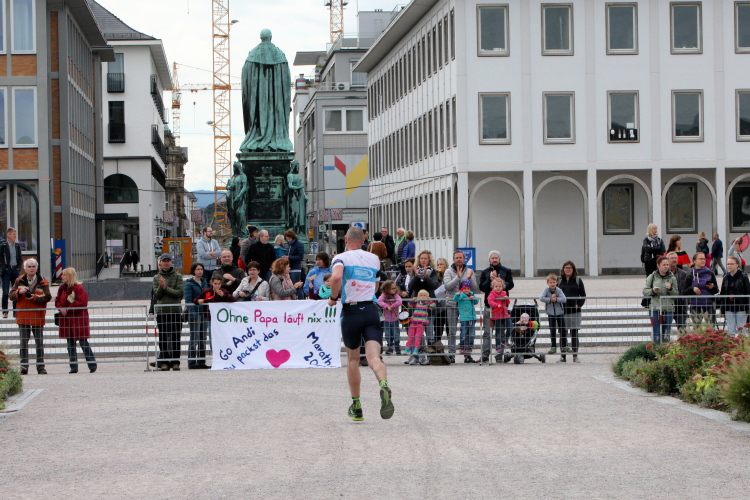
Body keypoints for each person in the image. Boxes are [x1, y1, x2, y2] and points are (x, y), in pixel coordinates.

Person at [327, 226, 394, 421]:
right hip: (371, 310)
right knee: (374, 358)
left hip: (352, 311)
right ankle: (383, 384)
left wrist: (333, 297)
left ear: (346, 239)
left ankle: (356, 406)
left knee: (353, 360)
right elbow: (376, 284)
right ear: (364, 241)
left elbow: (336, 277)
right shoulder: (373, 259)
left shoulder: (341, 258)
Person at [10, 259, 51, 375]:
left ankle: (41, 367)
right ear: (25, 268)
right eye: (29, 266)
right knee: (23, 343)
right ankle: (24, 367)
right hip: (23, 316)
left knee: (39, 343)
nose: (31, 268)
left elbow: (47, 297)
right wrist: (19, 292)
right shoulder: (19, 280)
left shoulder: (43, 282)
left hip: (38, 316)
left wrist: (34, 298)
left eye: (33, 266)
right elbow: (11, 296)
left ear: (36, 268)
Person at [55, 267, 97, 374]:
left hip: (78, 319)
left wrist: (68, 309)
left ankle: (92, 364)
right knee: (70, 344)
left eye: (64, 275)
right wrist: (61, 308)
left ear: (69, 276)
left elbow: (82, 302)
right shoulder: (62, 288)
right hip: (66, 320)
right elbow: (57, 300)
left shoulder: (78, 288)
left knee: (83, 342)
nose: (62, 277)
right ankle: (73, 367)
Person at [479, 250, 514, 363]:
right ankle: (485, 354)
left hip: (502, 307)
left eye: (496, 258)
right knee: (487, 332)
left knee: (501, 331)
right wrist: (490, 280)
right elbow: (482, 287)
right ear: (489, 259)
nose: (494, 260)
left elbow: (511, 284)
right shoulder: (485, 272)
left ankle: (499, 354)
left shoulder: (506, 271)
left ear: (499, 259)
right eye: (492, 258)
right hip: (489, 307)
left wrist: (500, 284)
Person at [443, 250, 479, 362]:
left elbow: (475, 288)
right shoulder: (448, 271)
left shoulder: (469, 271)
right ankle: (451, 354)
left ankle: (467, 355)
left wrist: (470, 278)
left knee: (467, 330)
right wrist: (457, 277)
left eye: (460, 257)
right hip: (452, 304)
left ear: (464, 259)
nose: (458, 259)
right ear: (453, 259)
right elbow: (447, 286)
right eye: (456, 257)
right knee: (452, 330)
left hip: (466, 306)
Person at [152, 254, 184, 371]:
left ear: (171, 262)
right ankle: (164, 361)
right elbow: (157, 295)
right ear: (160, 263)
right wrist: (162, 287)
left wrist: (166, 288)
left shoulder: (178, 276)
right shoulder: (156, 277)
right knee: (163, 337)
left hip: (175, 310)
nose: (166, 263)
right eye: (164, 261)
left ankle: (175, 361)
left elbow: (179, 293)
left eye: (168, 261)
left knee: (175, 337)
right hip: (162, 311)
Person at [643, 256, 678, 343]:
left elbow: (676, 294)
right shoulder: (652, 276)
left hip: (668, 308)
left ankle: (666, 349)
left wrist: (670, 289)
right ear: (658, 265)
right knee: (656, 331)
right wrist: (653, 291)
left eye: (667, 265)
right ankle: (656, 349)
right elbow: (645, 291)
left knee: (666, 332)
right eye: (664, 265)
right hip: (655, 307)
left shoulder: (672, 277)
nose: (666, 267)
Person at [557, 262, 586, 363]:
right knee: (563, 334)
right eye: (566, 267)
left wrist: (578, 305)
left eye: (570, 268)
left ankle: (575, 355)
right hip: (562, 311)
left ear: (573, 269)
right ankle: (563, 356)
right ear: (563, 269)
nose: (568, 269)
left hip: (574, 311)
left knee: (574, 333)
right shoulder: (559, 280)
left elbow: (583, 295)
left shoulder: (578, 280)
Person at [184, 263, 211, 369]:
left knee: (202, 338)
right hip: (195, 313)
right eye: (198, 269)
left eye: (201, 269)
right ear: (193, 271)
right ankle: (191, 362)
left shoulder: (205, 282)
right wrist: (193, 314)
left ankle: (201, 361)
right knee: (194, 338)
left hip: (204, 312)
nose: (200, 271)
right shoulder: (189, 284)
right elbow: (188, 300)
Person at [683, 252, 718, 326]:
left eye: (704, 259)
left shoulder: (710, 273)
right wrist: (692, 289)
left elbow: (716, 290)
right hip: (695, 305)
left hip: (709, 304)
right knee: (697, 328)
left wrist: (712, 287)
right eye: (700, 259)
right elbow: (684, 291)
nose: (703, 260)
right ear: (694, 261)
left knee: (711, 328)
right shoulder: (690, 274)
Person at [719, 256, 750, 337]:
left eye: (732, 264)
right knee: (731, 330)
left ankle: (742, 343)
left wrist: (748, 308)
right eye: (728, 264)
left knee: (741, 329)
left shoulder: (743, 277)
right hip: (729, 307)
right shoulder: (726, 277)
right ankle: (732, 343)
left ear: (737, 265)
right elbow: (722, 293)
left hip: (741, 306)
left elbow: (748, 292)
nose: (729, 266)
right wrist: (722, 309)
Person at [403, 289, 435, 365]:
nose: (422, 296)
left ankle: (416, 349)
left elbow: (433, 307)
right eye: (421, 295)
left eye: (424, 295)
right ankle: (408, 348)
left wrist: (430, 300)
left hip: (421, 323)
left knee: (418, 337)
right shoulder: (417, 302)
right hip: (414, 321)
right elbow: (410, 305)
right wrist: (412, 300)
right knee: (410, 335)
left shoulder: (427, 304)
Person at [540, 274, 567, 360]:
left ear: (556, 282)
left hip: (559, 312)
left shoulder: (559, 290)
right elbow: (541, 298)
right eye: (550, 282)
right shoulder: (546, 290)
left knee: (562, 330)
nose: (552, 284)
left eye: (554, 282)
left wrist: (557, 299)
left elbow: (564, 299)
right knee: (552, 330)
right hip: (551, 313)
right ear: (547, 283)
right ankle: (553, 346)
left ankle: (564, 346)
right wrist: (550, 299)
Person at [454, 280, 479, 363]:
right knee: (464, 333)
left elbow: (476, 301)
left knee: (471, 334)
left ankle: (469, 347)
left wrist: (473, 298)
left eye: (468, 288)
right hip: (464, 317)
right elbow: (455, 299)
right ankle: (462, 346)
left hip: (472, 317)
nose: (467, 290)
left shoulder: (472, 294)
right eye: (465, 288)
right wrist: (458, 294)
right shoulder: (461, 294)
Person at [487, 278, 511, 362]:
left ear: (502, 286)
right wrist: (496, 305)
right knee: (498, 331)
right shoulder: (492, 293)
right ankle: (498, 346)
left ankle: (505, 340)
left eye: (500, 286)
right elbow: (490, 301)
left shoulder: (504, 293)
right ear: (493, 287)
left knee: (510, 327)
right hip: (497, 315)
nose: (498, 288)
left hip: (505, 314)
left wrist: (506, 299)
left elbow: (507, 303)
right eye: (496, 286)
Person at [1, 227, 23, 318]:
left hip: (15, 270)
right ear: (8, 235)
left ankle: (15, 311)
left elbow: (20, 258)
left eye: (15, 234)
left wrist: (18, 267)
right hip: (7, 270)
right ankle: (5, 311)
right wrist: (4, 267)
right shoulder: (3, 246)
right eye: (13, 234)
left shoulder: (17, 246)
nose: (15, 236)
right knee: (5, 292)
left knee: (15, 292)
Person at [378, 280, 402, 355]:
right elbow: (379, 301)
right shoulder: (384, 294)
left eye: (395, 288)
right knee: (388, 334)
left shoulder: (396, 295)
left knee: (396, 334)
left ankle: (397, 347)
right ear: (387, 289)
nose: (394, 289)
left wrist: (392, 306)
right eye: (392, 288)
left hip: (395, 318)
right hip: (386, 319)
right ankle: (390, 347)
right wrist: (386, 306)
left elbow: (399, 301)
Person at [667, 252, 689, 332]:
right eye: (672, 258)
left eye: (675, 258)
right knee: (666, 330)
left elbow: (687, 289)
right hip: (667, 305)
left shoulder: (683, 274)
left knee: (682, 330)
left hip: (681, 306)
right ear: (667, 260)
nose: (674, 260)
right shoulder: (663, 273)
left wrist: (686, 301)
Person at [432, 257, 449, 347]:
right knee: (438, 330)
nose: (439, 266)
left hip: (448, 306)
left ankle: (451, 349)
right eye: (438, 264)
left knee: (449, 329)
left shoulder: (448, 276)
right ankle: (438, 348)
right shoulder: (436, 277)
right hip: (438, 308)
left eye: (441, 264)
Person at [285, 230, 305, 299]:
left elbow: (300, 257)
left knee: (297, 286)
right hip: (288, 268)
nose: (288, 240)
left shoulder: (299, 244)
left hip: (295, 268)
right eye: (287, 239)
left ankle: (300, 299)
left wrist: (289, 257)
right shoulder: (288, 245)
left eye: (289, 238)